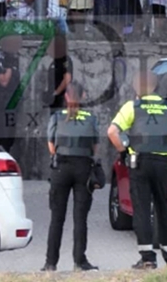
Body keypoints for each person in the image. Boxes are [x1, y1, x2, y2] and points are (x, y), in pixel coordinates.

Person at [107, 71, 167, 270]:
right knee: (163, 208)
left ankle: (148, 258)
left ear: (137, 88)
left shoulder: (132, 107)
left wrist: (124, 150)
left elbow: (112, 132)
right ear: (156, 86)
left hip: (139, 162)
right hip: (163, 162)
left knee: (141, 210)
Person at [42, 82, 100, 273]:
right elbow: (95, 147)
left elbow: (51, 144)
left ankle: (50, 263)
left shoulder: (57, 116)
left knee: (56, 218)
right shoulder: (91, 118)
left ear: (66, 97)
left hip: (61, 167)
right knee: (80, 218)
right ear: (83, 97)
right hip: (83, 167)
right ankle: (79, 261)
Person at [0, 35, 22, 153]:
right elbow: (4, 82)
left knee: (10, 135)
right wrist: (9, 66)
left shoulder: (14, 59)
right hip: (1, 104)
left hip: (12, 104)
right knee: (0, 135)